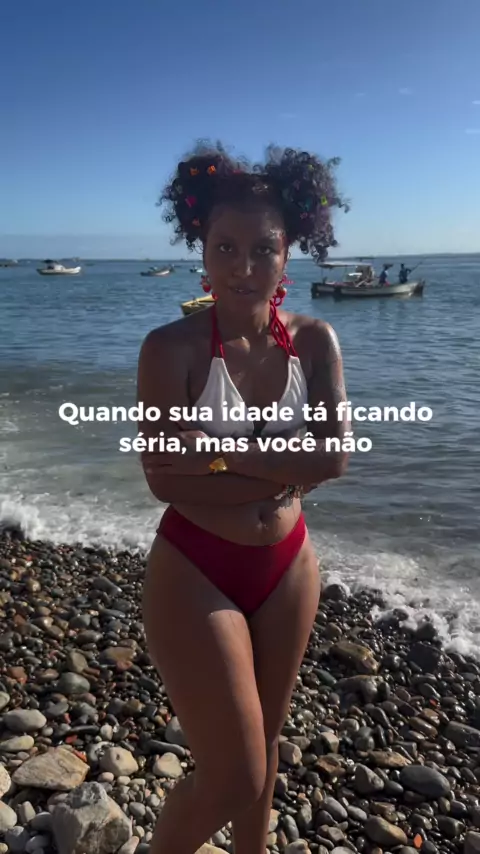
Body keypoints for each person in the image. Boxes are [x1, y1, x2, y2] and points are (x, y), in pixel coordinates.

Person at [137, 141, 350, 854]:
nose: (244, 267)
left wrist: (219, 455)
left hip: (289, 564)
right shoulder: (170, 349)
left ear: (290, 252)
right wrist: (287, 469)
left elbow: (335, 457)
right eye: (225, 247)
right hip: (197, 565)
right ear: (201, 248)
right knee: (234, 773)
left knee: (268, 745)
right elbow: (164, 476)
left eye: (264, 249)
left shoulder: (315, 342)